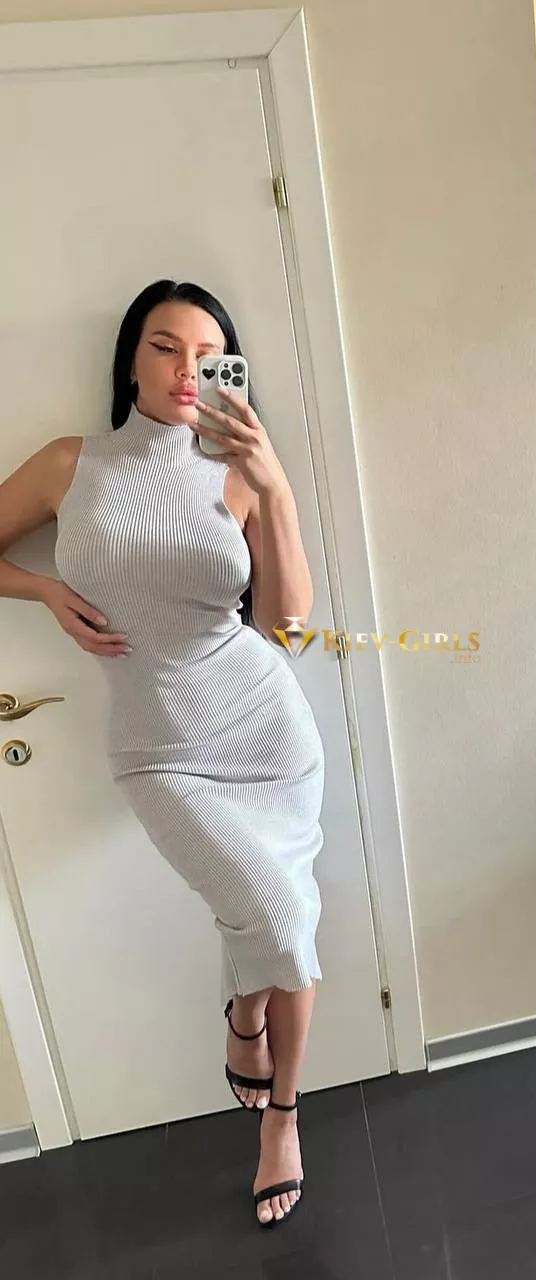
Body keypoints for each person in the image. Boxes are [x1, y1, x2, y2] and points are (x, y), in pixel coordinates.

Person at [0, 279, 326, 1229]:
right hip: (159, 750)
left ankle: (281, 1115)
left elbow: (287, 627)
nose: (188, 371)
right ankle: (244, 1016)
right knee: (271, 918)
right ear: (132, 360)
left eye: (209, 355)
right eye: (166, 347)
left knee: (286, 923)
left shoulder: (239, 471)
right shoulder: (72, 464)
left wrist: (274, 485)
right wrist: (45, 591)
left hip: (266, 729)